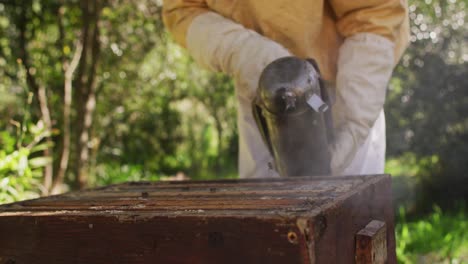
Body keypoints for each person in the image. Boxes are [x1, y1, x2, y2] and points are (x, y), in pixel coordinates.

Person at [162, 0, 409, 178]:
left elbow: (374, 14)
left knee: (350, 223)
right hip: (259, 86)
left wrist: (354, 119)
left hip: (344, 85)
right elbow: (182, 10)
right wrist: (248, 55)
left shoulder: (340, 101)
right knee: (265, 227)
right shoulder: (256, 71)